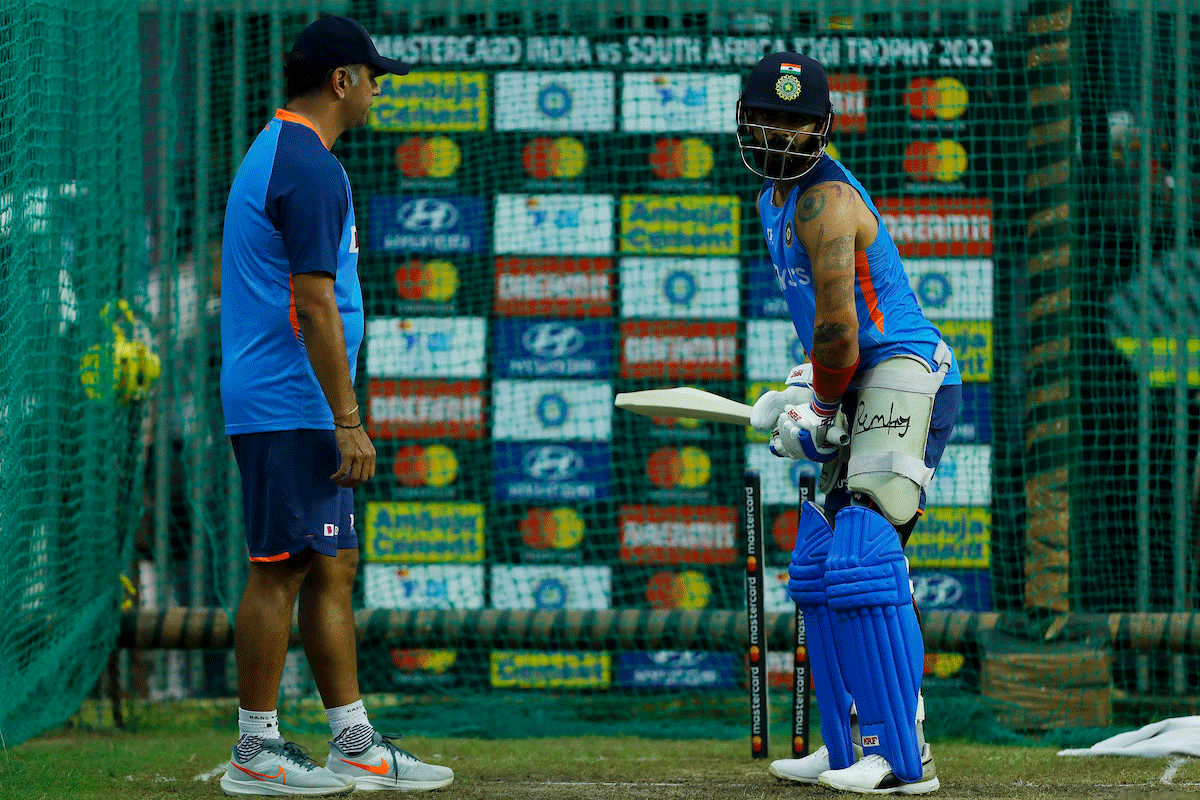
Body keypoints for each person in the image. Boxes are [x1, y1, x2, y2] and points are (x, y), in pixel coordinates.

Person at [218, 15, 453, 796]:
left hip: (295, 401)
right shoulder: (308, 166)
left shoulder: (291, 152)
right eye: (372, 75)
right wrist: (347, 418)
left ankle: (352, 741)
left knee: (331, 566)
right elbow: (314, 304)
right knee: (280, 569)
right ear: (340, 81)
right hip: (291, 404)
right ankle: (255, 751)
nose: (379, 88)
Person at [738, 53, 962, 795]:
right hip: (858, 373)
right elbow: (824, 334)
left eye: (794, 121)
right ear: (743, 119)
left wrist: (821, 413)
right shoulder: (773, 198)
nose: (777, 133)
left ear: (822, 129)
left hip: (903, 371)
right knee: (820, 566)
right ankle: (846, 749)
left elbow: (844, 333)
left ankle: (903, 760)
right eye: (766, 116)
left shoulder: (823, 202)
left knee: (864, 556)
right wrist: (798, 388)